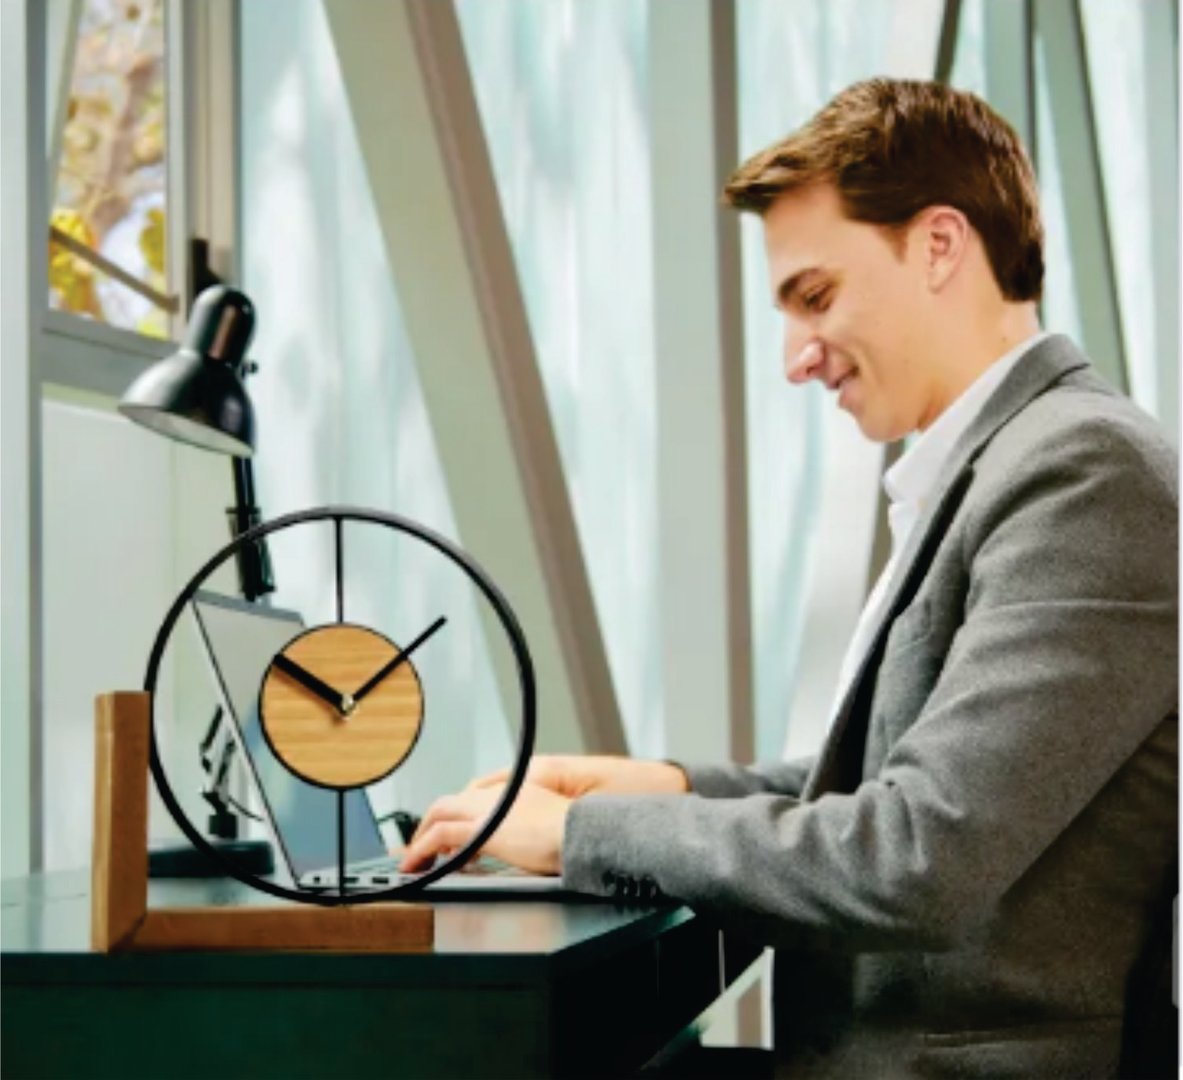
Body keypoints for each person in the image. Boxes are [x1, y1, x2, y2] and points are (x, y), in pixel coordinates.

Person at [402, 79, 1178, 1078]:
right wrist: (668, 786)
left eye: (815, 296)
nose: (795, 357)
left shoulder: (1084, 474)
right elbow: (907, 782)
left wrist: (585, 833)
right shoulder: (1008, 463)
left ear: (940, 246)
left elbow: (914, 854)